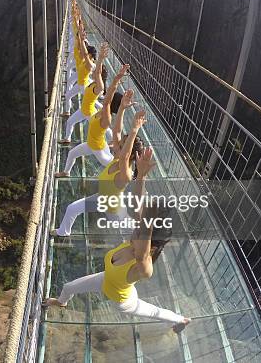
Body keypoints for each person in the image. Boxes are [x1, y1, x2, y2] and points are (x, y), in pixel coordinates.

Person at [44, 147, 191, 334]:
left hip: (123, 302)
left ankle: (181, 320)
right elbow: (138, 208)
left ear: (150, 245)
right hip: (106, 280)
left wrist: (150, 221)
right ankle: (61, 302)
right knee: (67, 287)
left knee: (153, 311)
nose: (134, 233)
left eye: (140, 234)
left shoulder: (144, 267)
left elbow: (144, 249)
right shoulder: (137, 238)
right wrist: (142, 177)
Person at [52, 90, 144, 237]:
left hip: (116, 213)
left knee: (128, 236)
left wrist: (134, 130)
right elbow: (117, 132)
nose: (118, 144)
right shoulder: (117, 158)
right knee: (72, 208)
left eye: (123, 144)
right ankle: (63, 232)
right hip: (100, 198)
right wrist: (121, 108)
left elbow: (126, 155)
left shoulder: (125, 173)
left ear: (131, 154)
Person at [55, 64, 129, 177]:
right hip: (93, 144)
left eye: (108, 100)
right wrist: (117, 78)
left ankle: (128, 175)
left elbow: (107, 100)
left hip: (98, 150)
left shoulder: (106, 116)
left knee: (112, 164)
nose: (105, 99)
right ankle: (66, 172)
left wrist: (116, 81)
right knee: (72, 153)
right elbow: (108, 96)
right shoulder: (102, 112)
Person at [60, 42, 109, 144]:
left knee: (101, 127)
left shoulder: (90, 65)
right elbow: (83, 52)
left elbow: (98, 72)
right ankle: (67, 139)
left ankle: (112, 138)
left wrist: (100, 57)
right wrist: (80, 39)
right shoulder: (93, 83)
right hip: (83, 109)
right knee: (70, 121)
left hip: (89, 112)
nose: (93, 74)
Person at [62, 17, 94, 116]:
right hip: (79, 73)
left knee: (92, 101)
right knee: (69, 92)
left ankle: (105, 103)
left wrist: (81, 37)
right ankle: (67, 111)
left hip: (81, 80)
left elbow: (83, 51)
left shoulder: (84, 53)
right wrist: (80, 30)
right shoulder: (78, 42)